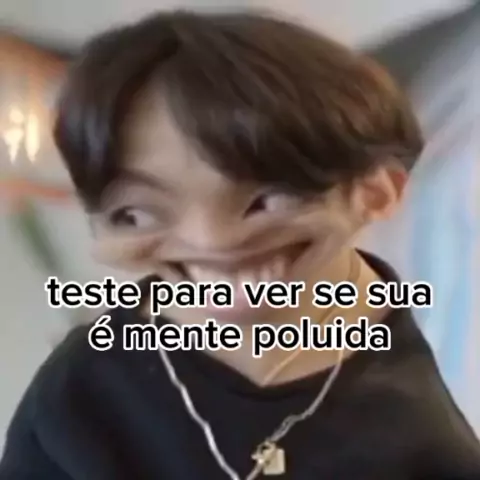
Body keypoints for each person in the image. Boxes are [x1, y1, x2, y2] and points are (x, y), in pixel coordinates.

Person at [1, 10, 479, 480]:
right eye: (136, 214)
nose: (211, 239)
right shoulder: (80, 392)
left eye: (267, 199)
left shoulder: (419, 425)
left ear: (375, 192)